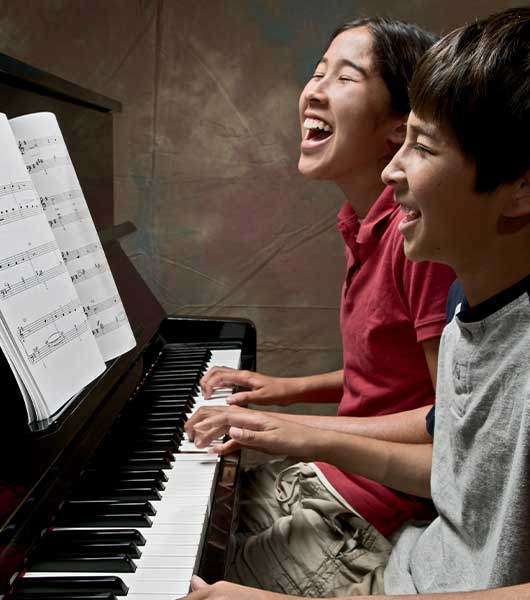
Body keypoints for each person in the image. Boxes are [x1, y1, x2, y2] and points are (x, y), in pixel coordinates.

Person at [180, 2, 530, 599]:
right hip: (409, 563)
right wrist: (304, 434)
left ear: (529, 187)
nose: (392, 170)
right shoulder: (470, 298)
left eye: (421, 147)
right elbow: (456, 468)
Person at [185, 17, 455, 597]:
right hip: (330, 478)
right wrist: (285, 389)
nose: (313, 90)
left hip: (366, 514)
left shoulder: (424, 243)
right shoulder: (365, 223)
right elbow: (388, 370)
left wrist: (288, 426)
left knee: (174, 581)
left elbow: (449, 418)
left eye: (346, 77)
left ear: (396, 128)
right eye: (316, 72)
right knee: (190, 515)